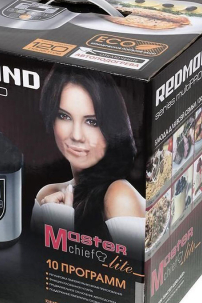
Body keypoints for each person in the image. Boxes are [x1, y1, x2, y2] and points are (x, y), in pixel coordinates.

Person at [31, 66, 145, 257]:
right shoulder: (48, 195)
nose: (76, 136)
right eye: (64, 116)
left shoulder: (119, 195)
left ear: (111, 126)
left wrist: (60, 237)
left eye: (92, 121)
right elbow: (34, 271)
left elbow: (133, 273)